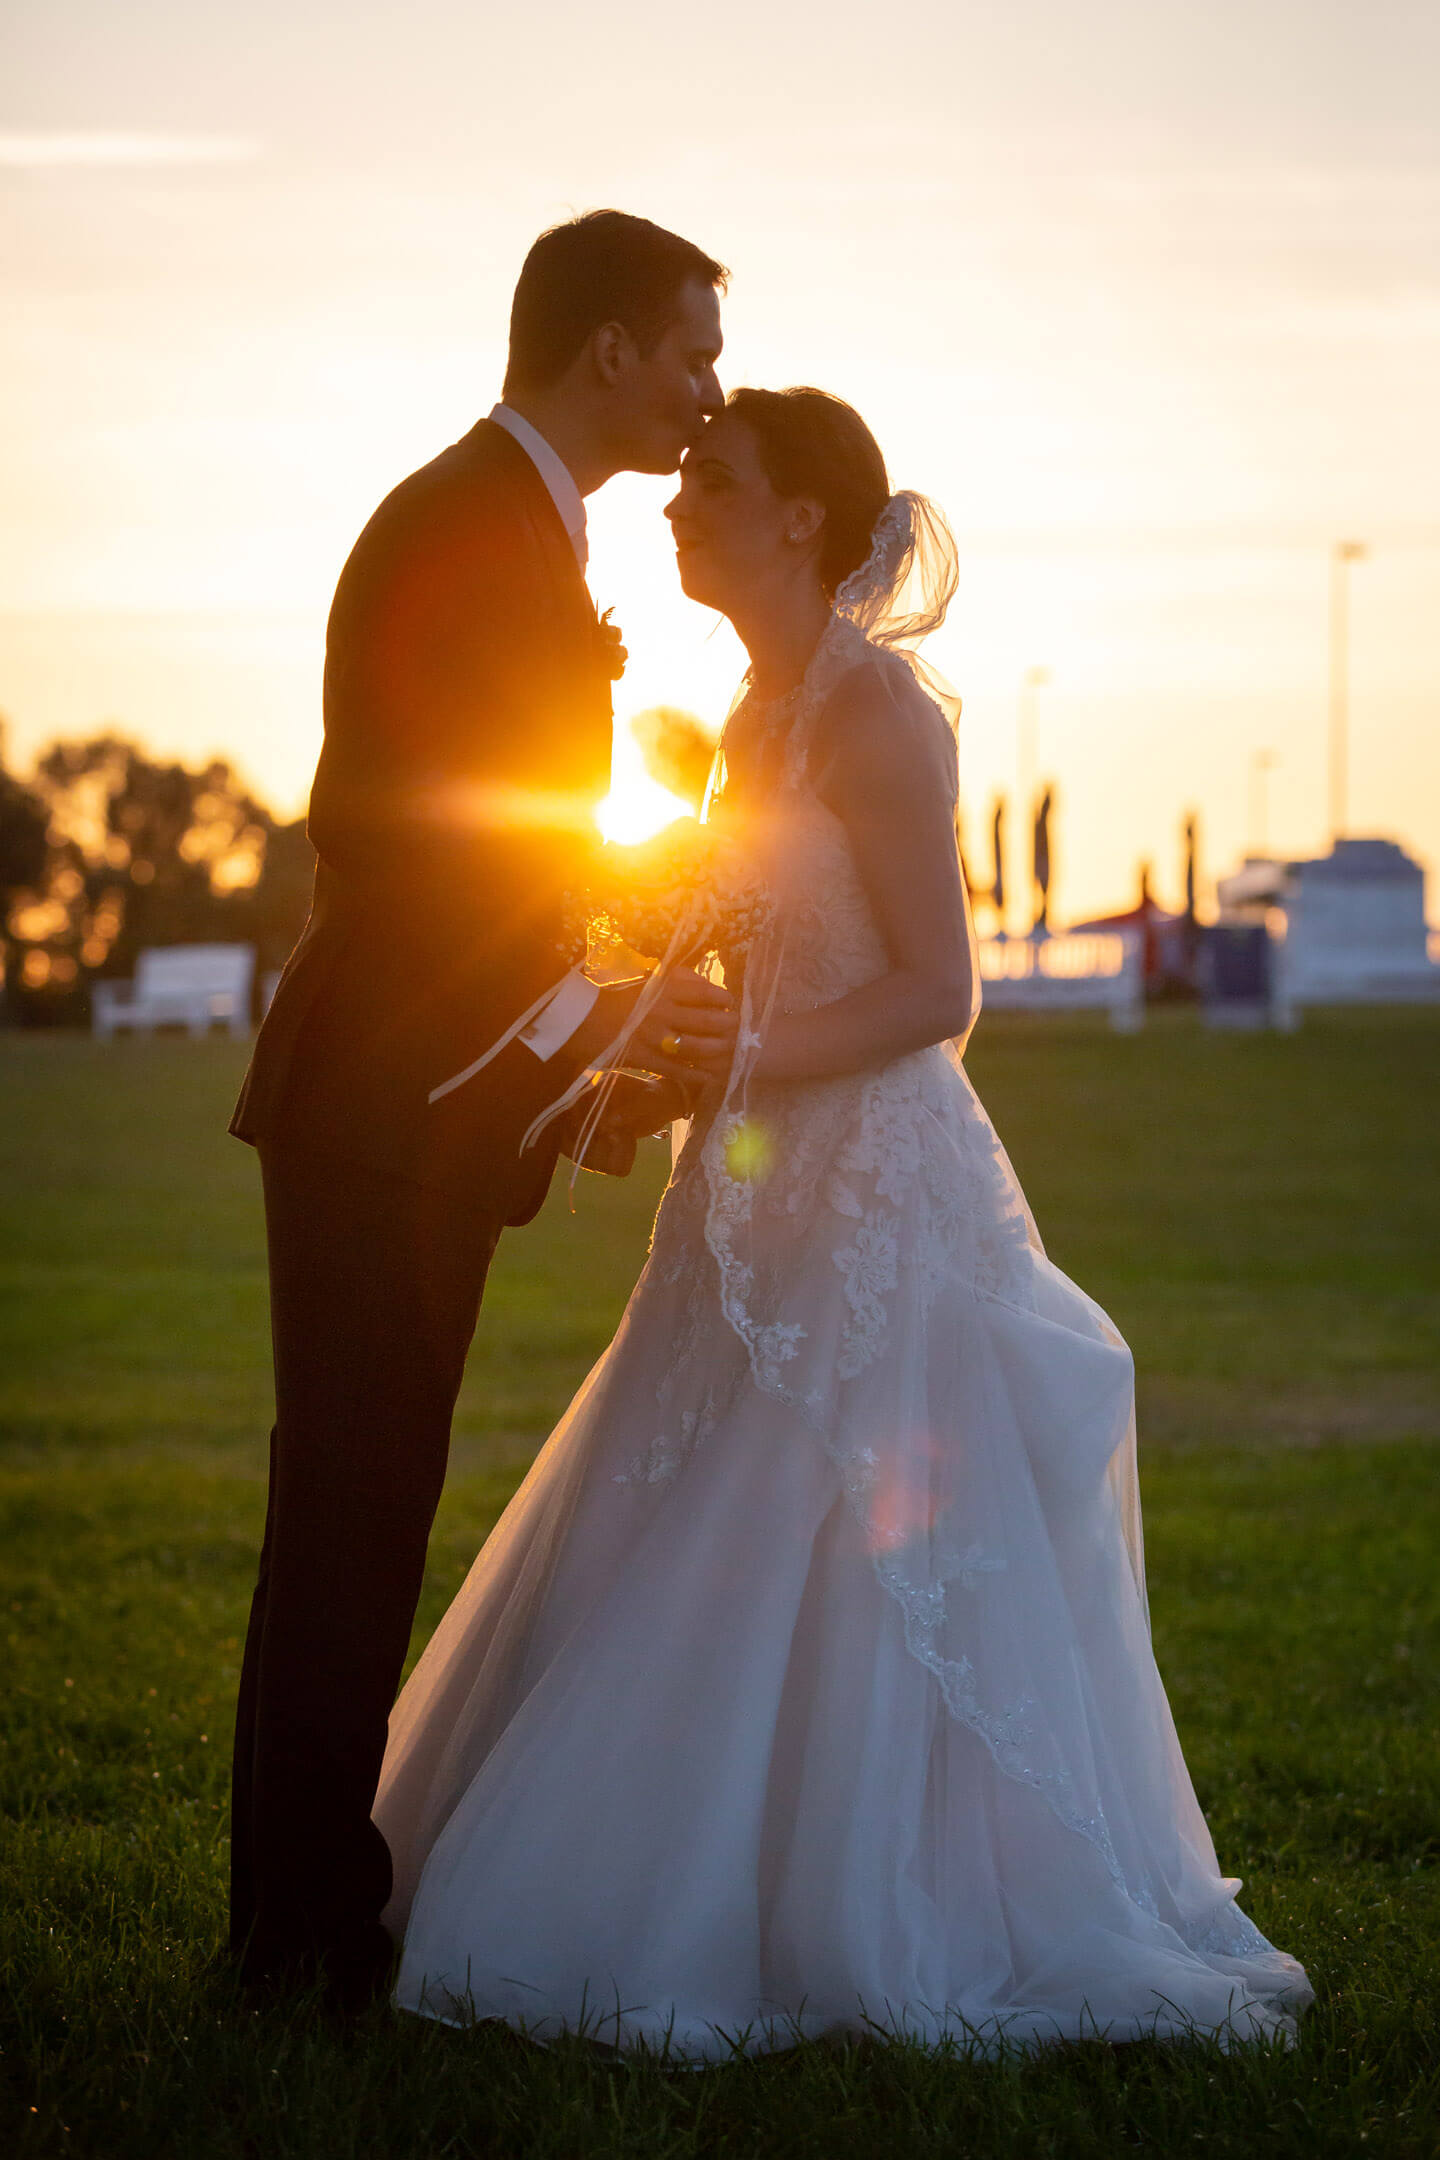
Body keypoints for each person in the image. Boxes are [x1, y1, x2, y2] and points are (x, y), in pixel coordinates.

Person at [372, 388, 1313, 2054]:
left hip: (872, 1185)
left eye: (714, 486)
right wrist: (665, 1040)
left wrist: (728, 1049)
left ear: (803, 521)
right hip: (742, 1181)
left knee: (837, 1514)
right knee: (682, 1493)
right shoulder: (752, 713)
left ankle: (869, 1900)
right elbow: (763, 951)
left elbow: (936, 991)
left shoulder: (880, 716)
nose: (678, 505)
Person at [227, 210, 737, 2008]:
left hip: (419, 1109)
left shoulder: (526, 525)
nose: (708, 391)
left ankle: (304, 1906)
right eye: (690, 353)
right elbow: (401, 833)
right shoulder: (460, 524)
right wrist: (600, 1002)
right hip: (380, 1099)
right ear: (602, 347)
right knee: (353, 1506)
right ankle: (297, 1936)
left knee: (369, 1504)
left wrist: (607, 984)